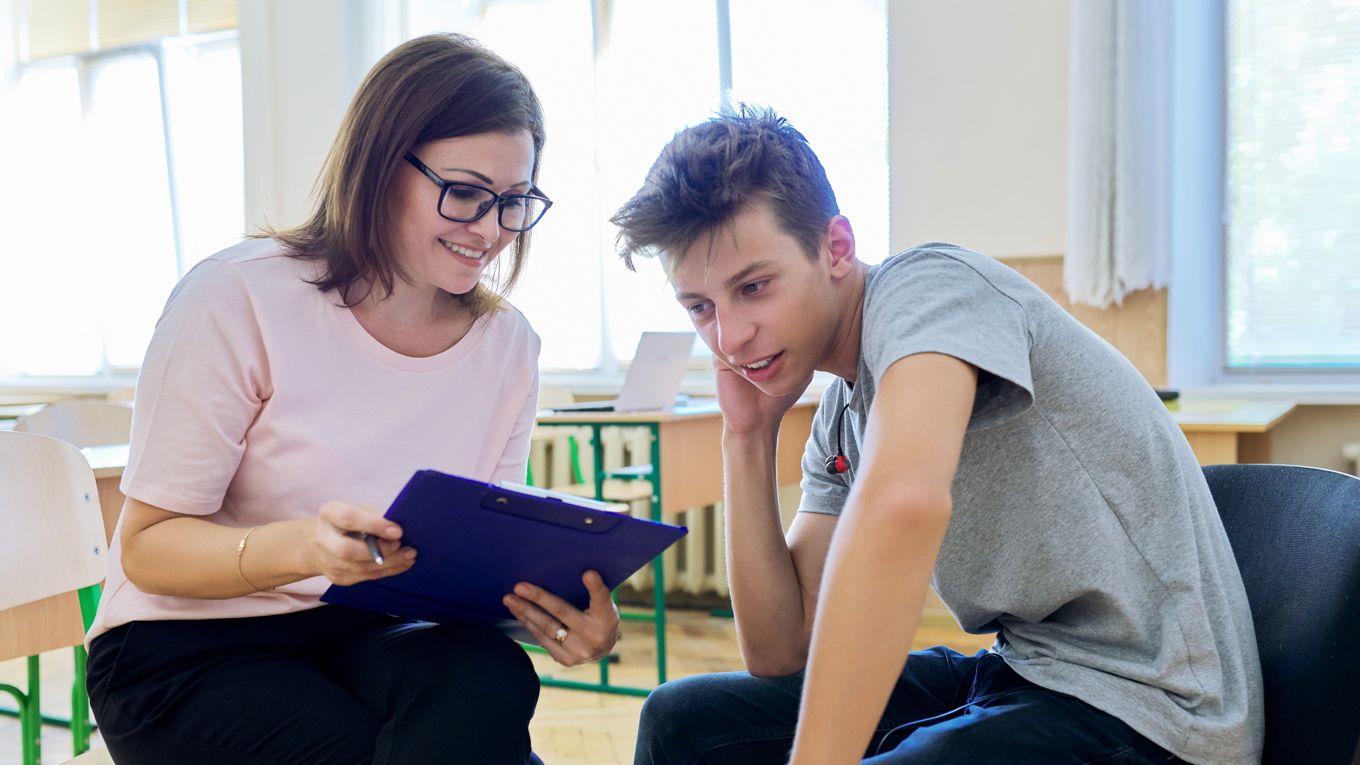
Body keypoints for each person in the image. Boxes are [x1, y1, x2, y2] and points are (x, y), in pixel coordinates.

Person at [612, 107, 1263, 765]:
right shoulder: (844, 408)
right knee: (681, 720)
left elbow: (904, 504)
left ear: (836, 248)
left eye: (753, 287)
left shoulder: (929, 288)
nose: (728, 335)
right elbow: (780, 649)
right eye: (700, 307)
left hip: (1151, 705)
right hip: (1026, 668)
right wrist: (747, 437)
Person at [85, 34, 621, 765]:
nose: (491, 230)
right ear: (379, 165)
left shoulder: (507, 347)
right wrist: (303, 547)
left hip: (363, 633)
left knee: (489, 673)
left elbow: (467, 572)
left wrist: (551, 618)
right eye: (464, 193)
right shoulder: (237, 297)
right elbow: (147, 547)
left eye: (514, 202)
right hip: (185, 650)